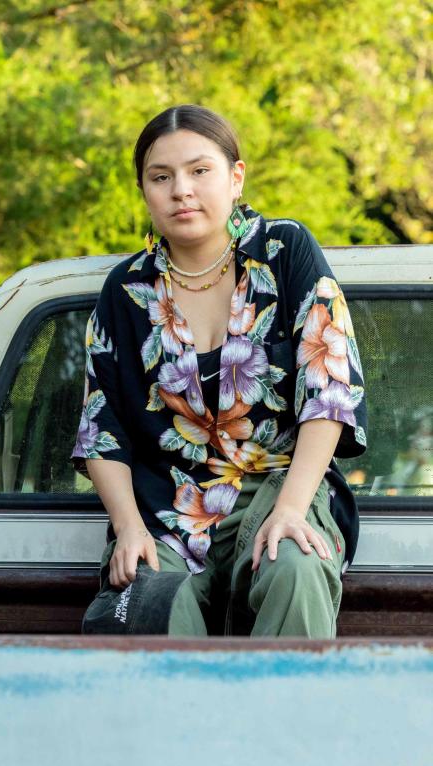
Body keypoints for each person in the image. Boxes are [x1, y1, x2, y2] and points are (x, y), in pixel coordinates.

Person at [73, 104, 367, 637]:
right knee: (146, 604)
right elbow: (102, 431)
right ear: (145, 190)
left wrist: (293, 510)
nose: (181, 190)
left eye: (199, 170)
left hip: (283, 488)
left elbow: (330, 392)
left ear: (235, 178)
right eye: (161, 177)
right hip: (165, 511)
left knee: (295, 568)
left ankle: (283, 720)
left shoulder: (285, 251)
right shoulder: (125, 290)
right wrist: (129, 529)